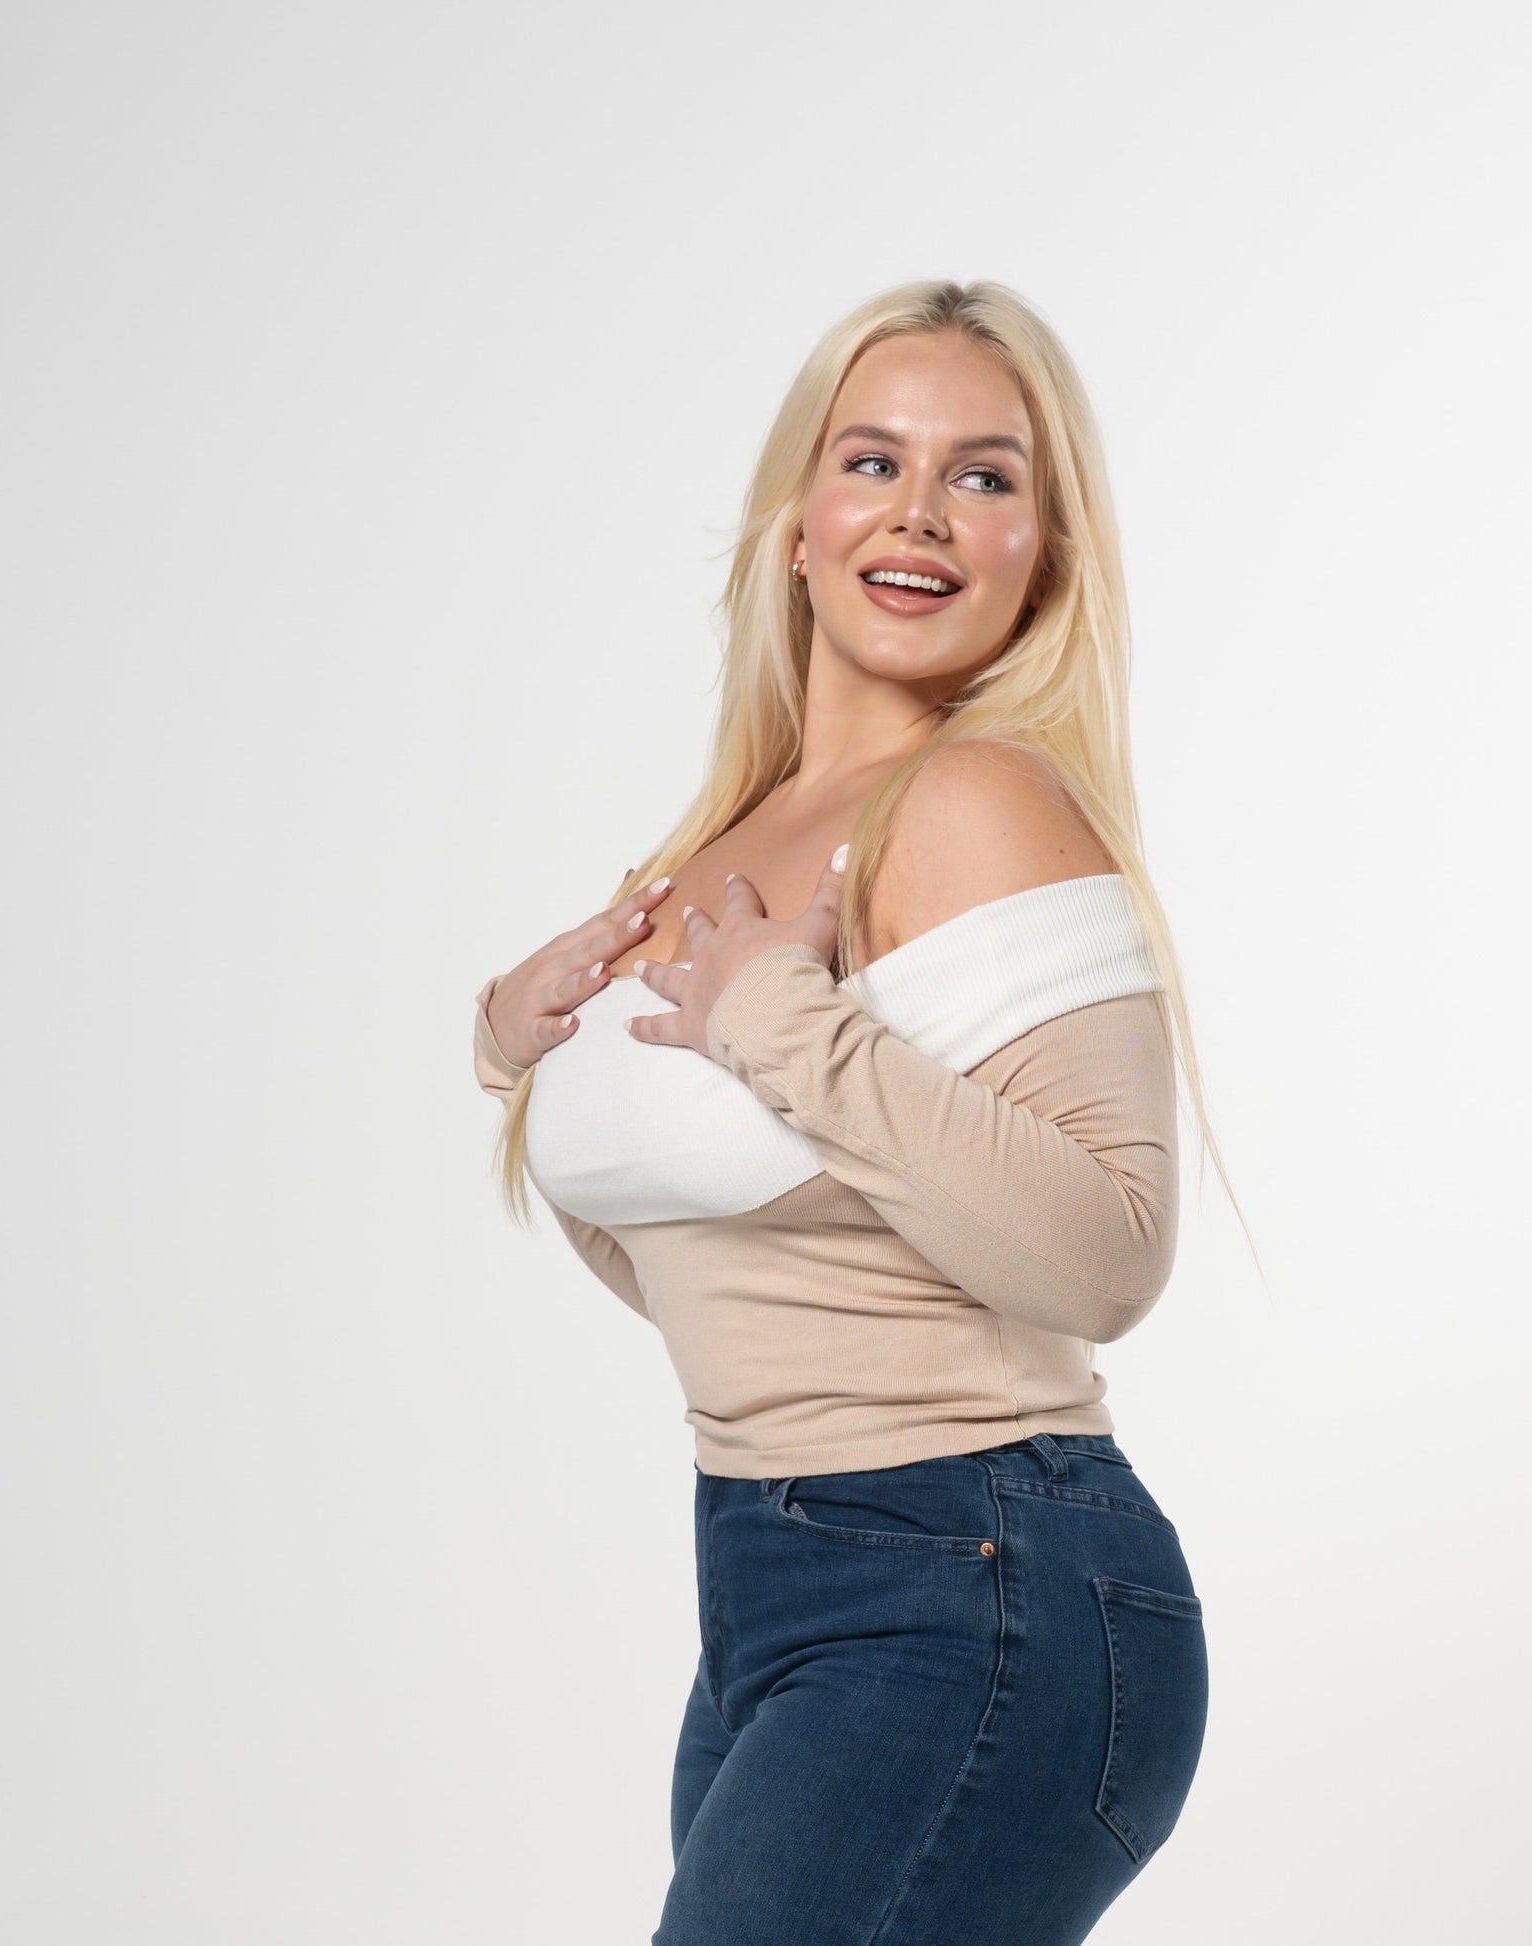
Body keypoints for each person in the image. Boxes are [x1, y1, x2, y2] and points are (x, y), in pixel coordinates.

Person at [472, 279, 1243, 1945]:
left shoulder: (977, 798)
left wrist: (771, 1021)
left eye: (984, 475)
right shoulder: (721, 840)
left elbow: (1109, 1253)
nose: (918, 511)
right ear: (794, 527)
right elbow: (737, 1247)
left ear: (1044, 548)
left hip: (974, 1578)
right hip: (773, 1578)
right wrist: (517, 1051)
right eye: (870, 460)